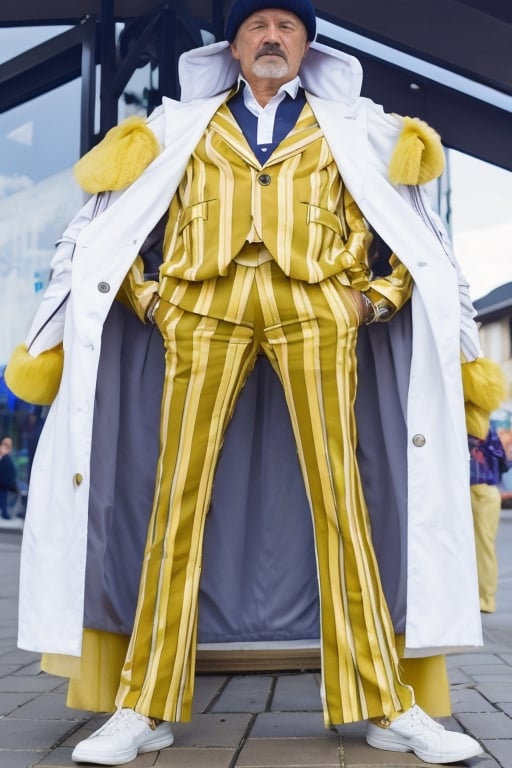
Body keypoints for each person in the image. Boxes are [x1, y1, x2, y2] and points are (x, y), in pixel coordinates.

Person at [5, 1, 485, 764]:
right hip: (200, 313)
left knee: (342, 501)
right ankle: (144, 703)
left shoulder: (357, 130)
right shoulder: (173, 130)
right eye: (257, 26)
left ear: (306, 45)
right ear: (232, 46)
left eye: (286, 27)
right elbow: (100, 229)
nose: (271, 37)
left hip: (318, 310)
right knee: (176, 500)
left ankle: (386, 703)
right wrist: (153, 300)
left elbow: (421, 238)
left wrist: (370, 301)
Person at [469, 428, 508, 613]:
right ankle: (485, 598)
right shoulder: (486, 427)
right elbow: (503, 461)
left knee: (480, 545)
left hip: (476, 490)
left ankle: (483, 598)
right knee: (485, 544)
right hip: (489, 491)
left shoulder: (463, 425)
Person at [0, 436, 18, 520]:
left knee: (4, 497)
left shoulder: (7, 459)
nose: (6, 448)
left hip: (4, 484)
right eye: (4, 445)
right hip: (4, 484)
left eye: (8, 446)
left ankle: (5, 513)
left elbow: (11, 473)